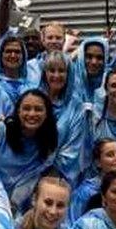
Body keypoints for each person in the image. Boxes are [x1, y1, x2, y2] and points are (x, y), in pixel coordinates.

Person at [0, 90, 59, 213]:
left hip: (17, 204)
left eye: (38, 109)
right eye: (26, 108)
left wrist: (12, 206)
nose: (32, 114)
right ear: (18, 111)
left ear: (47, 113)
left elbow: (30, 180)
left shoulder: (49, 144)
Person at [36, 51, 88, 184]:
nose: (56, 75)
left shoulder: (76, 105)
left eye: (61, 71)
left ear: (69, 74)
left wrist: (48, 176)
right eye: (51, 70)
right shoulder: (34, 99)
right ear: (44, 73)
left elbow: (72, 148)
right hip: (28, 172)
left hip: (60, 176)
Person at [0, 35, 29, 104]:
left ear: (24, 56)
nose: (13, 55)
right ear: (1, 55)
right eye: (8, 51)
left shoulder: (32, 86)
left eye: (17, 52)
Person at [74, 37, 108, 105]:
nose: (94, 62)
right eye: (89, 57)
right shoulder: (70, 84)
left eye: (99, 58)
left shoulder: (110, 84)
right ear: (81, 57)